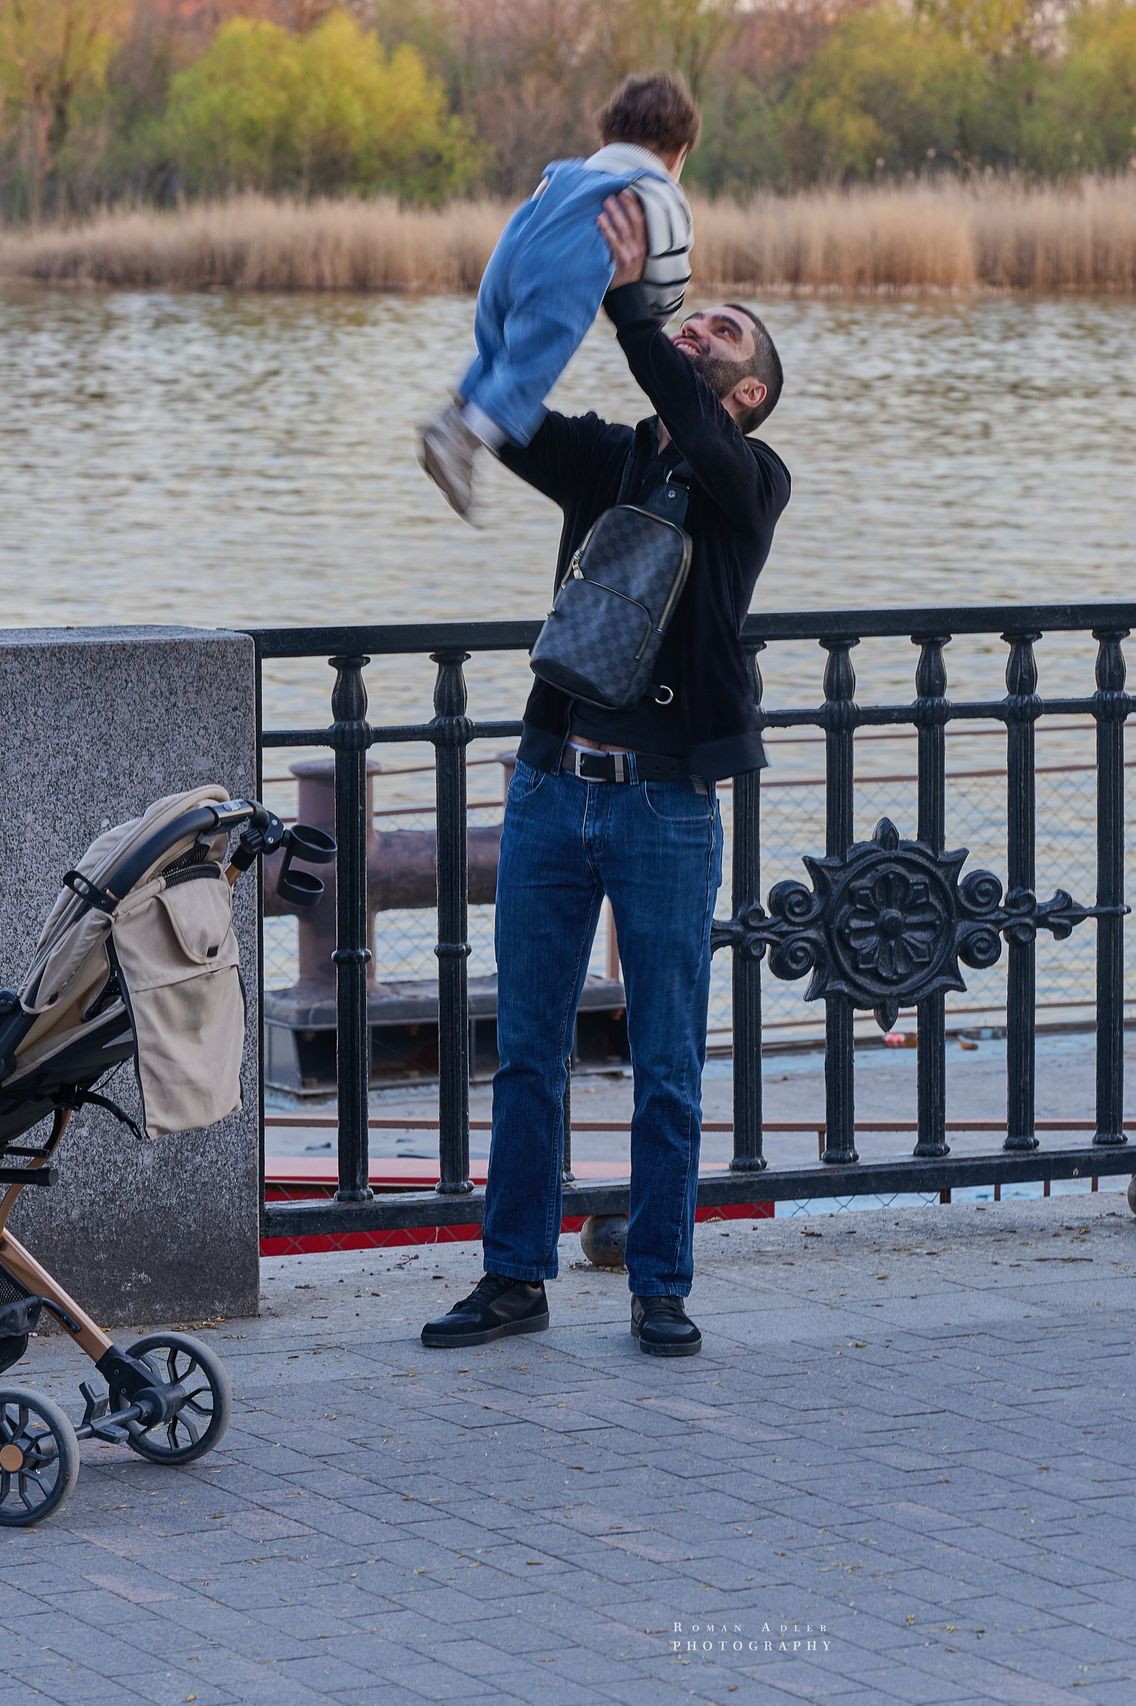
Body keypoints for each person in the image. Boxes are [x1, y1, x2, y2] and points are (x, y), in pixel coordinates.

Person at [419, 189, 789, 1359]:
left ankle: (659, 1283)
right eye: (697, 316)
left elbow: (694, 427)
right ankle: (512, 1277)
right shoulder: (608, 456)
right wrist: (542, 287)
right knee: (528, 1050)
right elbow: (506, 413)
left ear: (747, 393)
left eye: (721, 331)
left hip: (665, 807)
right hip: (549, 790)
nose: (699, 326)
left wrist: (638, 315)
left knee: (665, 1060)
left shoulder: (751, 479)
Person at [417, 73, 699, 523]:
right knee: (535, 363)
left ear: (604, 138)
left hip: (509, 253)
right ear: (678, 154)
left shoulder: (569, 172)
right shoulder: (659, 193)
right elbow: (670, 275)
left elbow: (538, 215)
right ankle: (462, 442)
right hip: (564, 273)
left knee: (500, 350)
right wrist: (655, 309)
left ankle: (454, 417)